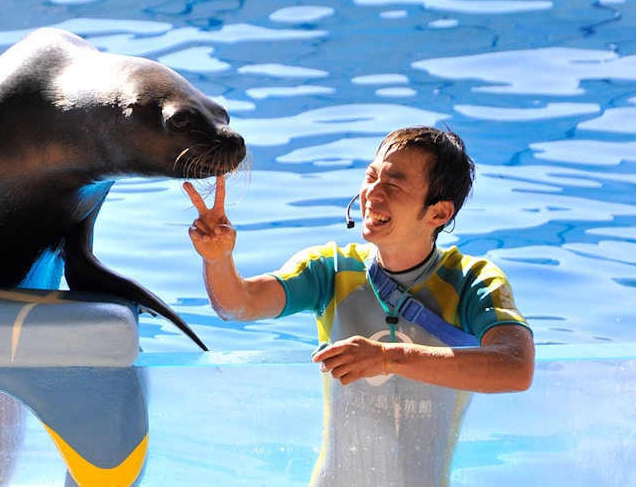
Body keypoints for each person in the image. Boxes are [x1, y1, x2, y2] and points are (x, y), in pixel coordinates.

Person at [183, 126, 534, 486]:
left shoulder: (472, 281)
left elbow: (516, 367)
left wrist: (386, 358)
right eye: (371, 175)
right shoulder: (332, 269)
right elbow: (240, 305)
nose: (372, 193)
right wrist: (219, 259)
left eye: (394, 184)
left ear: (438, 213)